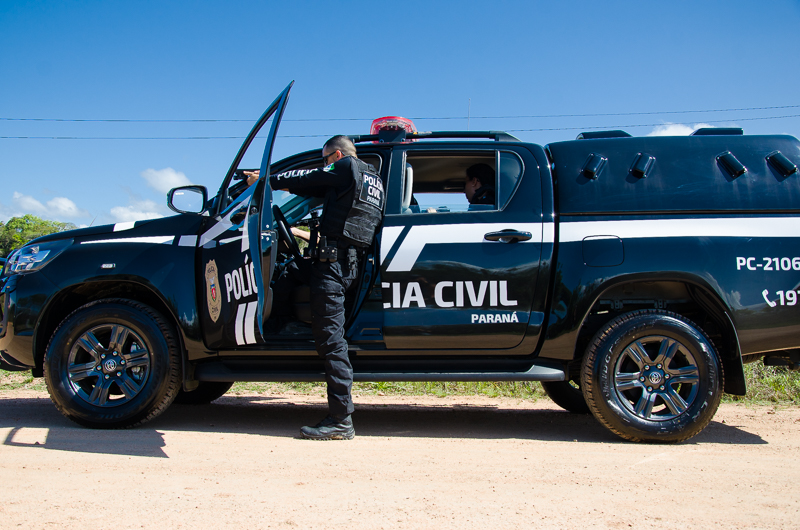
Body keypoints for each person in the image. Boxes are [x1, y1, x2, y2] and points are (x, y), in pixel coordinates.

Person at [259, 135, 384, 440]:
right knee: (290, 271)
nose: (324, 165)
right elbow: (313, 187)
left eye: (325, 160)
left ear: (336, 155)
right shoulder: (372, 180)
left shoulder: (346, 167)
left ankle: (341, 419)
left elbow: (309, 177)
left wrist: (266, 180)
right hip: (345, 264)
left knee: (331, 341)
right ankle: (278, 325)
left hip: (333, 267)